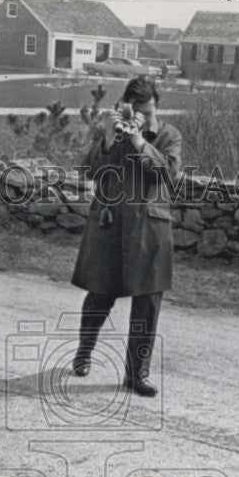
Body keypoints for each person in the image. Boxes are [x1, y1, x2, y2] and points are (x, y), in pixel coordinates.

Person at [71, 77, 183, 397]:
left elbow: (167, 174)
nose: (143, 119)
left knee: (147, 303)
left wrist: (139, 143)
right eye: (138, 113)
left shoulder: (168, 135)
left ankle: (136, 374)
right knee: (100, 294)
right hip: (111, 222)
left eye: (148, 113)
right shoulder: (112, 130)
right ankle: (84, 351)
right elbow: (89, 170)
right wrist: (108, 139)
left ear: (157, 108)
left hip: (149, 228)